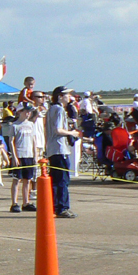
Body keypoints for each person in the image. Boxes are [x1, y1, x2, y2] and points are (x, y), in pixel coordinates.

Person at [45, 87, 81, 218]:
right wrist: (72, 132)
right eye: (67, 95)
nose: (69, 97)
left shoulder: (51, 109)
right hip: (59, 148)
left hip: (53, 148)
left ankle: (55, 206)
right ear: (60, 96)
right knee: (62, 180)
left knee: (56, 180)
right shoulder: (59, 109)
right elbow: (57, 130)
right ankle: (62, 207)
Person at [10, 107, 38, 212]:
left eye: (29, 112)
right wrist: (14, 156)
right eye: (26, 111)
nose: (28, 114)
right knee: (17, 179)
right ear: (20, 112)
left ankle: (26, 202)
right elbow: (11, 141)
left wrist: (35, 155)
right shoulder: (15, 125)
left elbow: (34, 140)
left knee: (28, 180)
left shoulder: (31, 125)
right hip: (19, 154)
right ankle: (14, 202)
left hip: (29, 154)